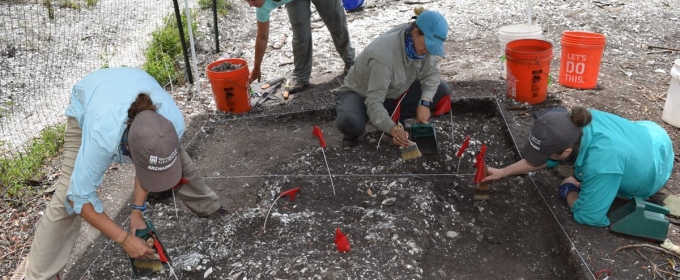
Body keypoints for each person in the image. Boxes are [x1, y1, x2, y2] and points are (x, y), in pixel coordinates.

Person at [23, 67, 226, 280]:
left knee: (172, 158)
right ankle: (39, 275)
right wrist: (124, 240)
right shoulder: (102, 137)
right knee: (67, 194)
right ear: (127, 147)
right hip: (90, 102)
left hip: (128, 89)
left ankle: (210, 208)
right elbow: (78, 198)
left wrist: (136, 212)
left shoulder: (172, 123)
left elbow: (147, 160)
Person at [483, 107, 675, 227]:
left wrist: (568, 188)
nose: (539, 159)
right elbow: (547, 159)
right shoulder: (579, 120)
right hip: (653, 135)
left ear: (566, 152)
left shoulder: (602, 162)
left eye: (545, 154)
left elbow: (589, 216)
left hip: (652, 177)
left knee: (590, 181)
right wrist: (503, 172)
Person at [334, 8, 452, 148]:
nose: (429, 51)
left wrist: (424, 103)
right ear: (415, 32)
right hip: (361, 94)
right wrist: (392, 130)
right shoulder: (384, 56)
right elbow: (374, 102)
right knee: (350, 121)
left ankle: (391, 119)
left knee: (441, 89)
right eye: (429, 45)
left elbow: (431, 74)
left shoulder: (419, 44)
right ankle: (360, 130)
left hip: (394, 90)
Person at [245, 0, 356, 94]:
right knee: (301, 36)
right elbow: (262, 37)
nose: (250, 4)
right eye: (247, 0)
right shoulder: (262, 6)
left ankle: (350, 61)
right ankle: (301, 77)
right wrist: (256, 68)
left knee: (337, 23)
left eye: (252, 0)